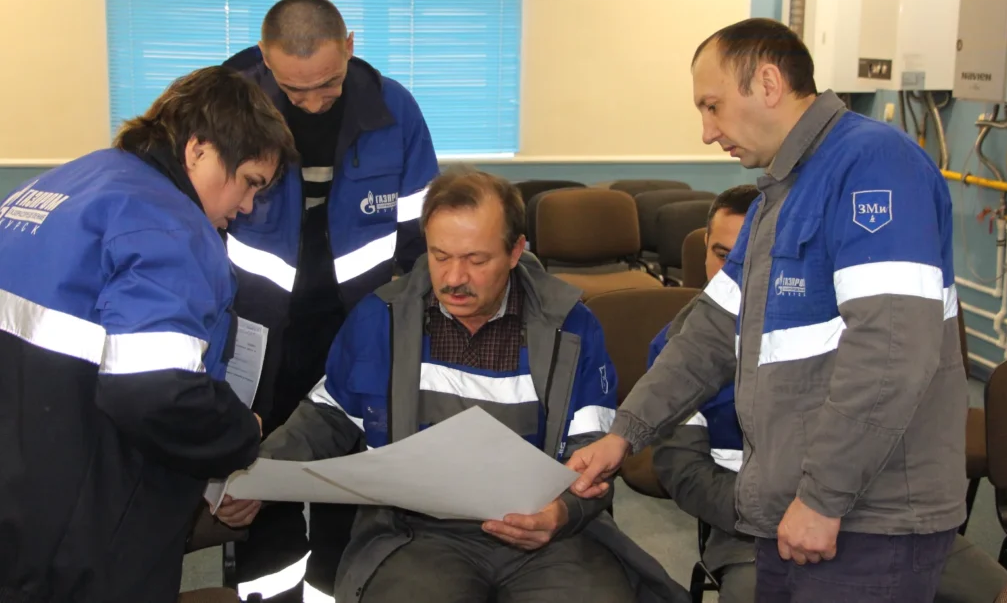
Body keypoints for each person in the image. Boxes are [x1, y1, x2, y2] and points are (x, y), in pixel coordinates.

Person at [568, 18, 969, 602]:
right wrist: (624, 434)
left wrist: (824, 497)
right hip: (790, 510)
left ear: (769, 83)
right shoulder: (778, 196)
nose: (707, 132)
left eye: (712, 106)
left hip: (865, 519)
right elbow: (708, 334)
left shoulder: (874, 165)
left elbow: (890, 355)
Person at [216, 167, 688, 603]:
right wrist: (259, 475)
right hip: (418, 533)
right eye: (440, 256)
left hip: (548, 531)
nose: (454, 278)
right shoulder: (382, 318)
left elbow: (593, 447)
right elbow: (328, 417)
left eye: (476, 260)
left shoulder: (571, 328)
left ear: (516, 251)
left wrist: (562, 513)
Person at [0, 66, 297, 603]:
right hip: (88, 524)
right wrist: (239, 433)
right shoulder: (171, 227)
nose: (248, 206)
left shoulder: (58, 186)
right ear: (199, 150)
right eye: (251, 181)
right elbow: (156, 391)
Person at [645, 189, 1007, 603]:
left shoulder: (858, 332)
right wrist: (780, 514)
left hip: (881, 519)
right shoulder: (678, 350)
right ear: (705, 253)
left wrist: (836, 507)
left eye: (757, 257)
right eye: (723, 256)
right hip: (754, 531)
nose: (738, 273)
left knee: (1006, 595)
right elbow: (684, 470)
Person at [223, 0, 440, 600]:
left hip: (359, 326)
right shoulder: (228, 108)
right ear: (266, 58)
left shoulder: (394, 110)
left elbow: (422, 235)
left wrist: (404, 322)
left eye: (328, 84)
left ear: (349, 46)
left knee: (347, 476)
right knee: (263, 473)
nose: (314, 102)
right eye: (296, 90)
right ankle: (268, 592)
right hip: (257, 331)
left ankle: (335, 590)